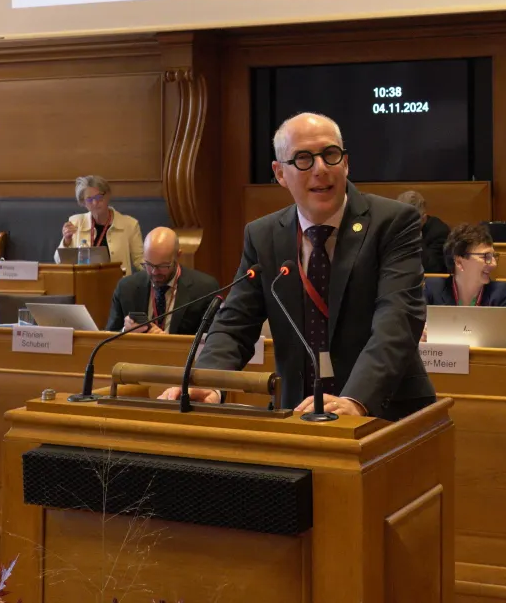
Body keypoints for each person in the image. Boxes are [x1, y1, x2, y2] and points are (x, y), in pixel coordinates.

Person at [160, 112, 435, 420]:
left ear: (345, 162)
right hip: (297, 412)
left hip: (385, 411)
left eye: (330, 155)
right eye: (303, 158)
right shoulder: (263, 235)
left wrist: (356, 398)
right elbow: (235, 323)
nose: (321, 169)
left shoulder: (392, 222)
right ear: (279, 173)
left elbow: (397, 320)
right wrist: (209, 381)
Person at [105, 227, 220, 334]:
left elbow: (209, 342)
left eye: (163, 266)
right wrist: (126, 330)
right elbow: (108, 339)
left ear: (178, 256)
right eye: (149, 265)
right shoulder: (126, 288)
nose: (154, 272)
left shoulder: (204, 289)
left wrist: (167, 341)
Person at [423, 222, 506, 318]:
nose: (494, 264)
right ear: (459, 262)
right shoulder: (433, 289)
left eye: (494, 256)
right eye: (486, 257)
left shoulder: (501, 293)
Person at [57, 175, 145, 275]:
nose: (95, 203)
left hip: (118, 286)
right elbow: (59, 261)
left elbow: (140, 261)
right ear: (83, 203)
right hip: (84, 283)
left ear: (107, 195)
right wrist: (67, 241)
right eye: (89, 200)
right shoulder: (76, 222)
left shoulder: (130, 225)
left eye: (99, 197)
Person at [396, 190, 450, 275]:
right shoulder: (391, 227)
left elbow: (434, 269)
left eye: (410, 220)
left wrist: (415, 236)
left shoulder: (439, 232)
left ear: (423, 219)